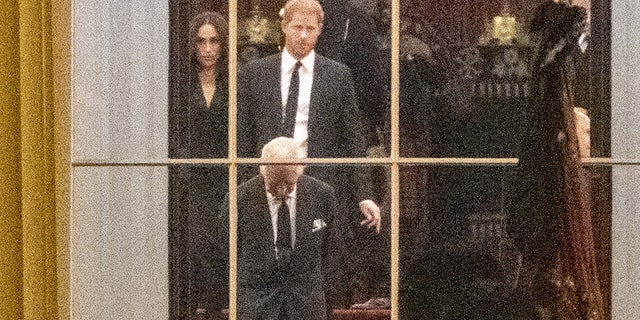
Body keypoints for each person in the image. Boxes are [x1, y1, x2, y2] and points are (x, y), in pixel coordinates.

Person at [237, 0, 382, 306]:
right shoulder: (256, 73)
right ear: (284, 27)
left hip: (318, 183)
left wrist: (364, 194)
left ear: (320, 30)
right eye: (297, 27)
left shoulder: (338, 75)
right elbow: (243, 136)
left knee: (318, 272)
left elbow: (353, 137)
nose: (303, 35)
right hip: (266, 182)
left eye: (310, 29)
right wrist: (240, 187)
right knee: (268, 267)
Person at [219, 137, 346, 320]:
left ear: (300, 170)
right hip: (256, 307)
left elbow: (332, 250)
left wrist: (318, 291)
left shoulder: (323, 196)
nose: (282, 190)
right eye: (274, 183)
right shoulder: (239, 199)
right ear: (262, 170)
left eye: (289, 182)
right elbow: (228, 253)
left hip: (307, 306)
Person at [169, 11, 229, 318]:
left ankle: (221, 306)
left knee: (223, 242)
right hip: (190, 178)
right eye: (201, 41)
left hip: (226, 175)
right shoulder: (178, 83)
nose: (208, 49)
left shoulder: (236, 83)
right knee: (195, 244)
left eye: (214, 41)